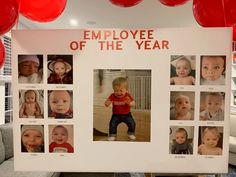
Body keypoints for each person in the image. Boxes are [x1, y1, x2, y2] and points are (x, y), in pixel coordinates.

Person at [105, 77, 136, 141]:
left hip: (127, 114)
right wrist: (107, 103)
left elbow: (133, 103)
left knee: (132, 123)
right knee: (112, 124)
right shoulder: (112, 95)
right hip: (116, 115)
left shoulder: (127, 95)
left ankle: (130, 133)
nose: (118, 93)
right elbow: (107, 103)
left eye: (121, 91)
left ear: (126, 90)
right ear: (113, 89)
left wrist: (129, 103)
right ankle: (112, 135)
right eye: (116, 90)